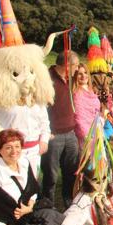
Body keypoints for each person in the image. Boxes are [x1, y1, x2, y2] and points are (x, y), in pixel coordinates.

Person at [41, 51, 80, 209]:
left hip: (70, 133)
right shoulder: (46, 79)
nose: (77, 69)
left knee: (71, 171)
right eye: (75, 66)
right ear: (67, 65)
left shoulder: (71, 79)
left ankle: (68, 201)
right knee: (51, 174)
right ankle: (48, 206)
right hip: (53, 134)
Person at [72, 64, 101, 145]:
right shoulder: (77, 94)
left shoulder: (91, 90)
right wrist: (87, 136)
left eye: (85, 73)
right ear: (75, 76)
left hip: (97, 132)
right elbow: (79, 118)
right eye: (80, 74)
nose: (83, 76)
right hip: (85, 137)